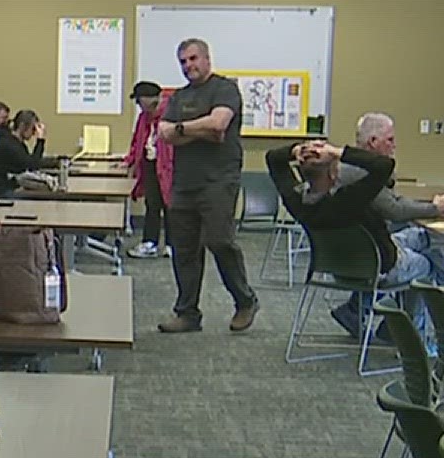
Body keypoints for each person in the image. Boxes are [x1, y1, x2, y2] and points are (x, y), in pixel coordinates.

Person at [266, 133, 444, 346]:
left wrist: (298, 150)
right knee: (431, 262)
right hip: (383, 266)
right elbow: (384, 166)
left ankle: (381, 321)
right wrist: (337, 151)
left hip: (340, 266)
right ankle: (413, 339)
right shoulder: (348, 199)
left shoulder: (297, 202)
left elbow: (272, 158)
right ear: (333, 175)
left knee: (422, 236)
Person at [158, 38, 259, 334]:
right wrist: (196, 130)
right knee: (184, 249)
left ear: (206, 59)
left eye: (193, 59)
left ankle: (245, 300)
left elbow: (218, 126)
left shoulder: (225, 89)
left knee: (219, 241)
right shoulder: (179, 96)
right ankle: (187, 313)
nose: (188, 66)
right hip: (185, 182)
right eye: (183, 62)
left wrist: (182, 128)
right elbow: (165, 134)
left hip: (219, 180)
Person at [126, 82, 175, 259]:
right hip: (150, 164)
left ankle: (172, 244)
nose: (138, 105)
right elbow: (136, 142)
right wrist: (129, 160)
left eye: (139, 101)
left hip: (169, 166)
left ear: (148, 99)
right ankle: (150, 242)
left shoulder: (172, 114)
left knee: (171, 205)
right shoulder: (143, 118)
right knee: (152, 205)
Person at [0, 109, 48, 204]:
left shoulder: (16, 143)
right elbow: (32, 166)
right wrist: (40, 140)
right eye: (33, 129)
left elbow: (30, 162)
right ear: (22, 126)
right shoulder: (9, 145)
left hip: (10, 188)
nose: (34, 133)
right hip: (1, 194)